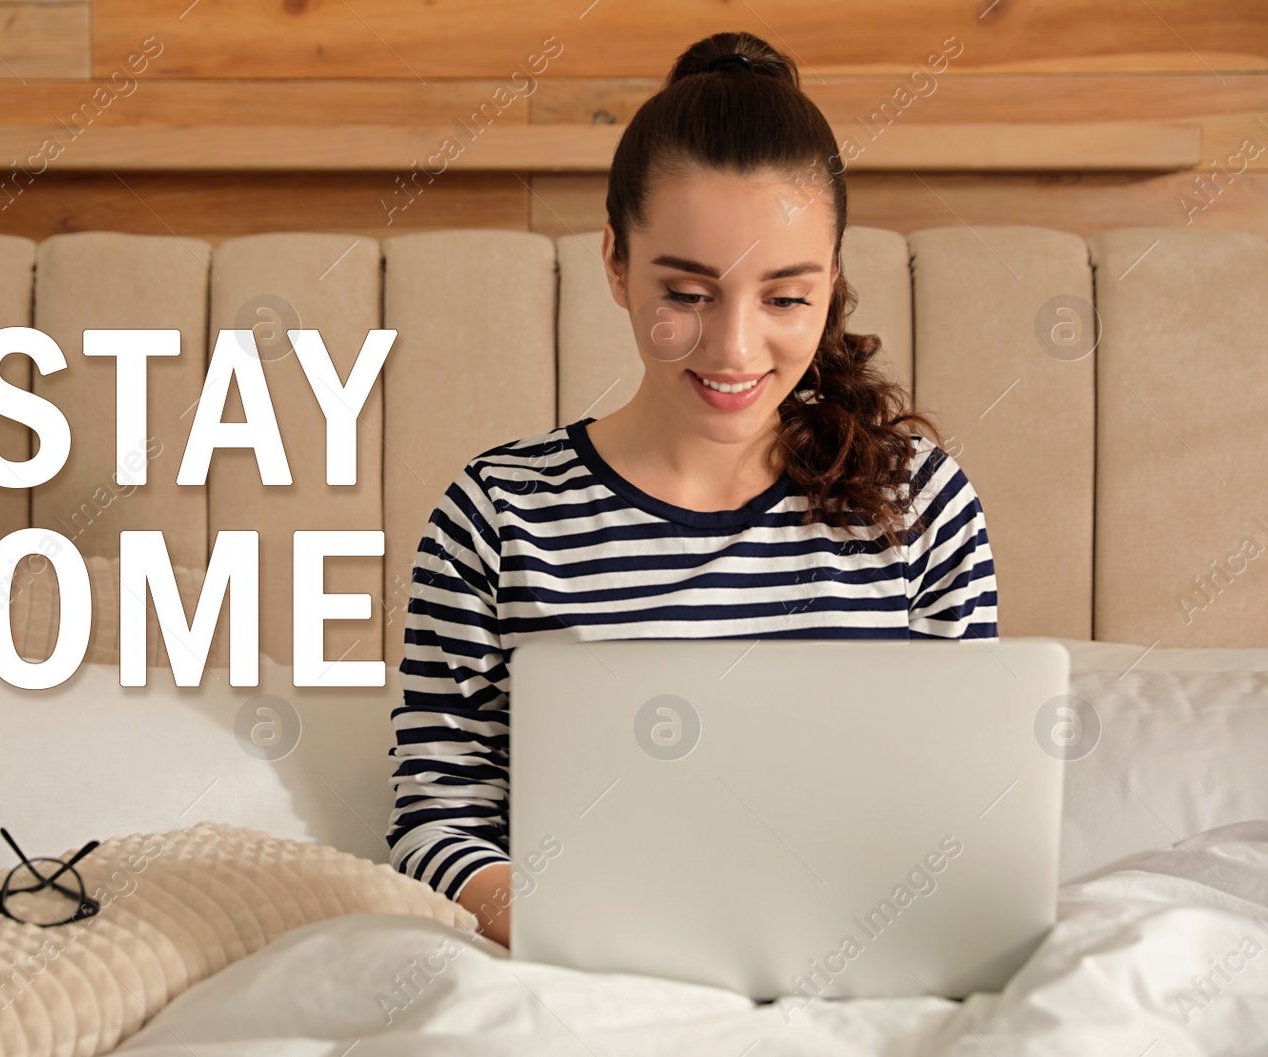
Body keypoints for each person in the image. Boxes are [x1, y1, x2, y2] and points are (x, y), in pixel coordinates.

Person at [385, 30, 998, 951]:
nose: (734, 351)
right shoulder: (497, 514)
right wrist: (583, 929)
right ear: (616, 264)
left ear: (831, 284)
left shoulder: (925, 508)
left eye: (785, 298)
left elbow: (963, 810)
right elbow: (433, 819)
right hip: (580, 981)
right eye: (689, 292)